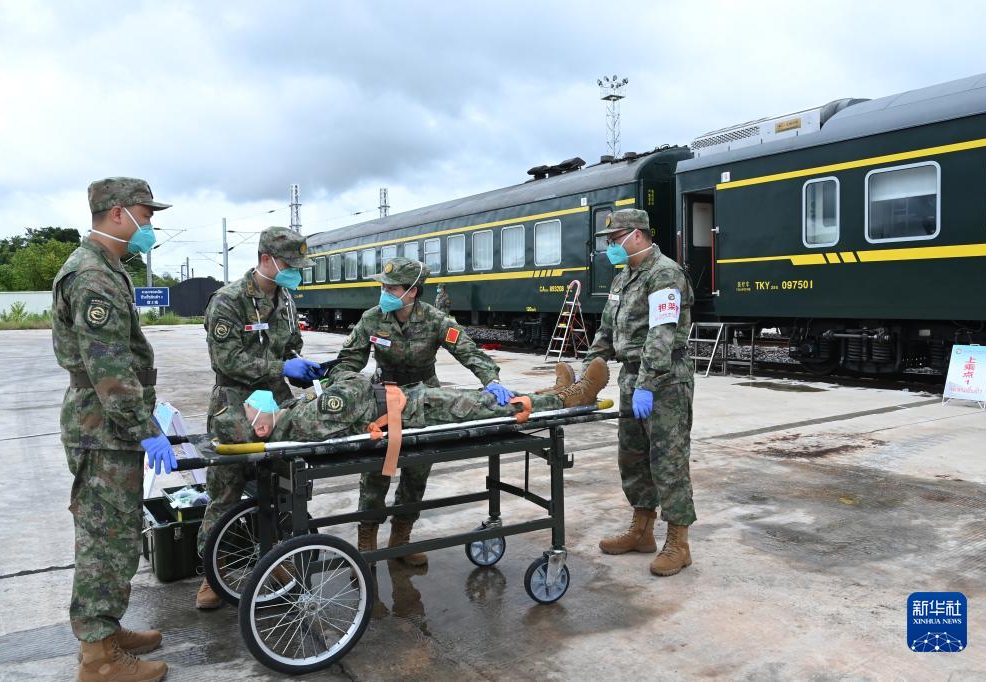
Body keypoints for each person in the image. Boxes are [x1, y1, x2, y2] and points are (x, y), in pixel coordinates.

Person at [52, 177, 172, 681]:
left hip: (106, 427)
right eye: (147, 215)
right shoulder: (93, 277)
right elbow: (110, 370)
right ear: (119, 213)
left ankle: (106, 628)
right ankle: (99, 660)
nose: (151, 225)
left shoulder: (108, 268)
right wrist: (143, 427)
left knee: (118, 535)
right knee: (105, 541)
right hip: (103, 428)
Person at [326, 257, 516, 565]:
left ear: (412, 291)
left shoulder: (435, 320)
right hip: (382, 398)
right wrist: (345, 385)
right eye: (383, 286)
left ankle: (401, 538)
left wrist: (491, 380)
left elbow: (469, 351)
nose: (385, 292)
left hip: (425, 398)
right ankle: (367, 547)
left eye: (392, 287)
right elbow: (348, 360)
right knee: (376, 472)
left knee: (416, 471)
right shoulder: (372, 319)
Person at [194, 226, 322, 610]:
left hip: (278, 404)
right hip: (235, 403)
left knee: (282, 489)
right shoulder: (228, 300)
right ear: (266, 259)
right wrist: (282, 365)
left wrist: (301, 365)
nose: (294, 272)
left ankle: (274, 561)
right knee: (226, 492)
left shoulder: (285, 300)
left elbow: (292, 344)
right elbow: (226, 360)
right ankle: (211, 573)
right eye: (288, 264)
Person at [581, 208, 697, 577]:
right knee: (632, 458)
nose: (610, 248)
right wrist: (586, 378)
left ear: (636, 235)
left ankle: (679, 543)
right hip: (631, 379)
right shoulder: (623, 279)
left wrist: (647, 384)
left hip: (664, 381)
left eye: (614, 240)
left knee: (668, 461)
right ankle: (641, 531)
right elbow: (605, 331)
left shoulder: (664, 274)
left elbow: (661, 335)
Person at [214, 359, 608, 447]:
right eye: (250, 409)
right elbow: (350, 393)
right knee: (491, 406)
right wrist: (336, 377)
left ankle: (557, 394)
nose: (254, 400)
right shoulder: (298, 424)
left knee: (483, 397)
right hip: (413, 412)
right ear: (260, 428)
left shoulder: (291, 416)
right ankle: (568, 397)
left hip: (406, 403)